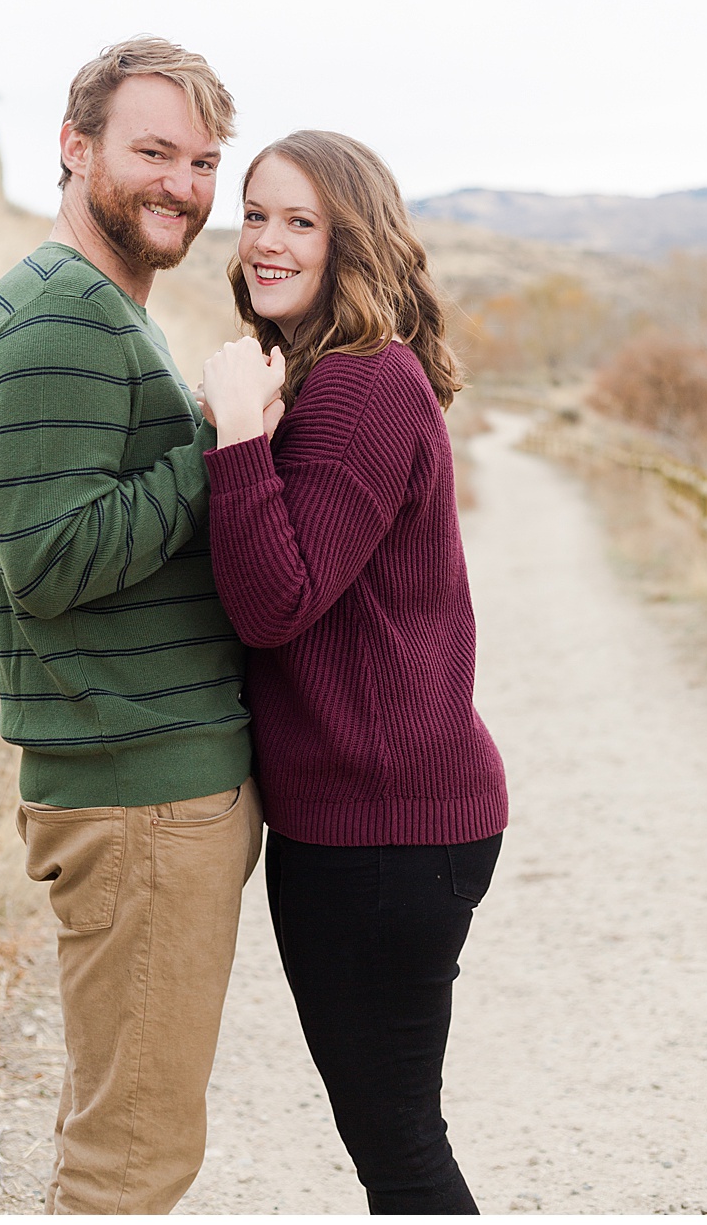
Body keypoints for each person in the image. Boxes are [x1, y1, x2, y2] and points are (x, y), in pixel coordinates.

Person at [0, 38, 271, 1214]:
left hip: (148, 780)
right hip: (138, 789)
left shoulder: (102, 310)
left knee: (120, 1132)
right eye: (153, 152)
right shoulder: (59, 321)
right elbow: (46, 561)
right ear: (73, 146)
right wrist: (220, 442)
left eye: (201, 162)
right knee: (129, 1167)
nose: (182, 186)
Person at [197, 131, 509, 1214]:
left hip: (380, 835)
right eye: (255, 214)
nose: (267, 243)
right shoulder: (341, 377)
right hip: (387, 826)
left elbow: (275, 602)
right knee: (395, 1140)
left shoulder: (362, 386)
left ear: (352, 240)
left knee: (401, 1153)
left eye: (300, 221)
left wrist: (237, 432)